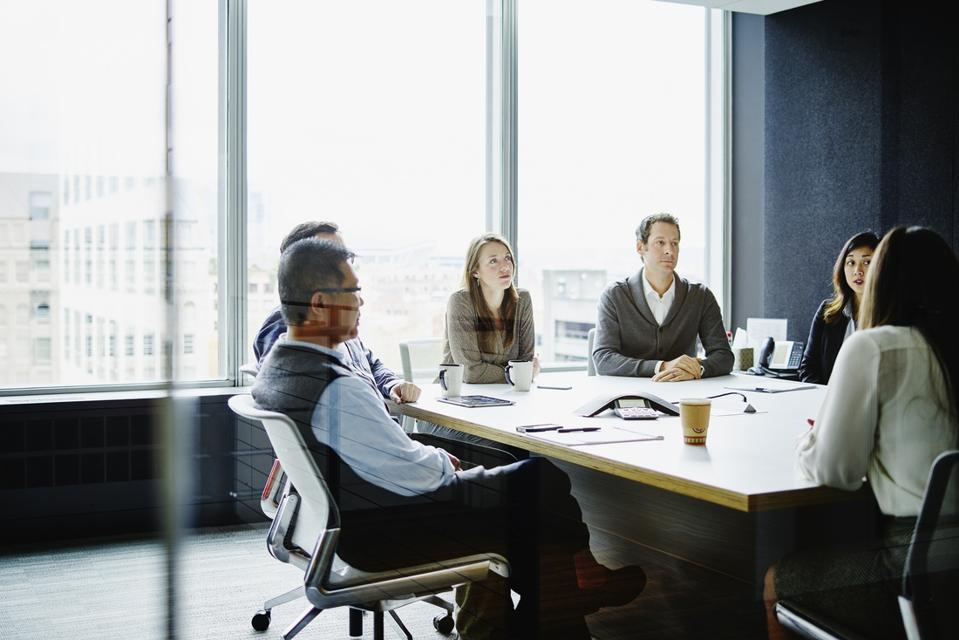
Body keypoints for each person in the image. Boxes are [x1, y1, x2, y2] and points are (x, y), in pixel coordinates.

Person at [252, 238, 646, 639]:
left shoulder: (282, 368)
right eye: (354, 292)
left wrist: (434, 457)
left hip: (352, 520)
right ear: (320, 303)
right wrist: (444, 461)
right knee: (540, 478)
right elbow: (413, 474)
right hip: (385, 531)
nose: (362, 303)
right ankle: (569, 595)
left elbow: (382, 454)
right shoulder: (336, 387)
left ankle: (555, 604)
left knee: (523, 504)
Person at [764, 226, 959, 640]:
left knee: (774, 581)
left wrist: (808, 443)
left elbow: (835, 470)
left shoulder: (875, 346)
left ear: (883, 281)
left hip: (912, 565)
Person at [252, 221, 420, 405]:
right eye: (331, 256)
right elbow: (284, 387)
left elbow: (371, 363)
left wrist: (391, 383)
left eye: (344, 256)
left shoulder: (336, 322)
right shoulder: (287, 322)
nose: (342, 263)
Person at [592, 213, 733, 381]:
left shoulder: (700, 296)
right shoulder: (615, 296)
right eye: (660, 243)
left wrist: (697, 369)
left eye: (675, 243)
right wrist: (663, 367)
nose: (669, 250)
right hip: (630, 396)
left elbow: (724, 356)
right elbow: (603, 359)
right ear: (640, 247)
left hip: (683, 395)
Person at [441, 233, 539, 384]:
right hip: (461, 395)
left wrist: (522, 373)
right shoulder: (461, 301)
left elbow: (526, 362)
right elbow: (470, 372)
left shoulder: (522, 300)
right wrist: (517, 375)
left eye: (507, 258)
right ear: (475, 271)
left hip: (507, 394)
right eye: (493, 261)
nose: (506, 266)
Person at [797, 231, 879, 384]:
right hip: (828, 401)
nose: (858, 271)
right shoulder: (827, 311)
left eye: (867, 262)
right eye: (851, 263)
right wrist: (823, 396)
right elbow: (808, 366)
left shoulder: (890, 315)